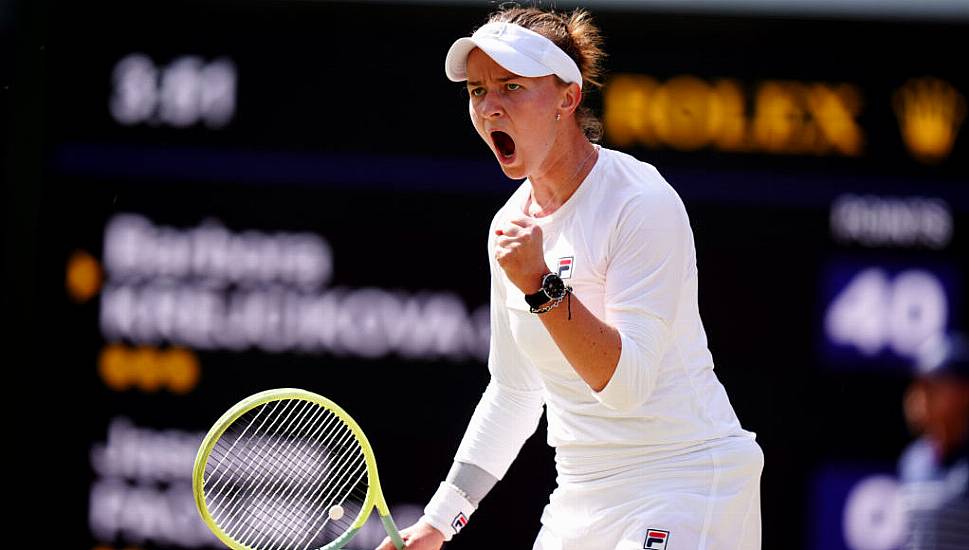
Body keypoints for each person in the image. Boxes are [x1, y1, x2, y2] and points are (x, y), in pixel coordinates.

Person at [378, 7, 763, 549]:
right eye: (477, 91)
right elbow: (514, 391)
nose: (490, 107)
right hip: (580, 498)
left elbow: (626, 387)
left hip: (686, 481)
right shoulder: (508, 229)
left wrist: (540, 284)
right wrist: (440, 519)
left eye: (511, 86)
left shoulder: (640, 201)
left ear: (568, 98)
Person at [898, 332, 969, 549]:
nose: (923, 396)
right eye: (922, 386)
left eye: (936, 385)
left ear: (964, 392)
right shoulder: (912, 461)